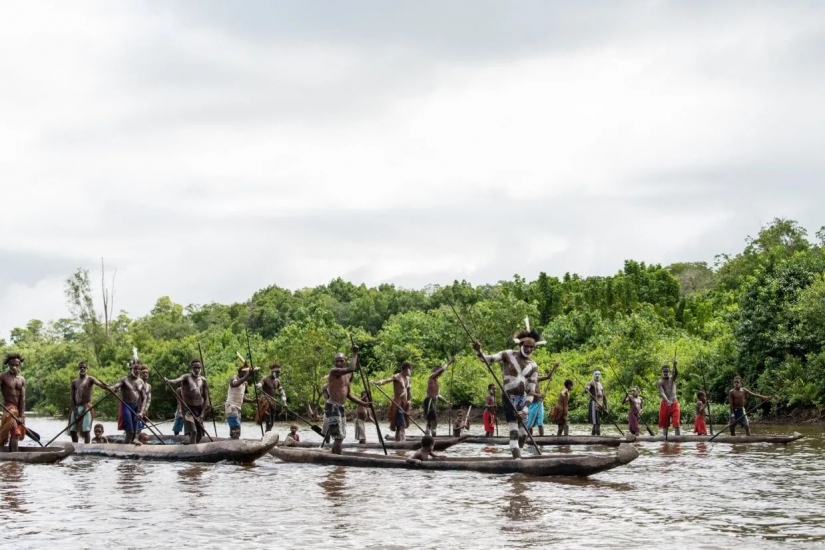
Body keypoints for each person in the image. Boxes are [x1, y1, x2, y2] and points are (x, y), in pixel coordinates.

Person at [472, 328, 543, 458]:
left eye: (531, 347)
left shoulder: (533, 365)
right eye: (526, 346)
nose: (528, 350)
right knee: (514, 432)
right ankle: (517, 460)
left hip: (523, 400)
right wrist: (479, 351)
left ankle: (518, 456)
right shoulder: (508, 355)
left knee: (524, 434)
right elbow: (487, 359)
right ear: (520, 345)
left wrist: (525, 410)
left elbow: (532, 391)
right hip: (509, 398)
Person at [327, 346, 371, 455]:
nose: (338, 363)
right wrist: (355, 354)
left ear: (345, 361)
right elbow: (351, 368)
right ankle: (338, 461)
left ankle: (335, 458)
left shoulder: (348, 375)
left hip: (341, 407)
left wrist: (363, 403)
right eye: (336, 361)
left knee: (341, 436)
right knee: (339, 437)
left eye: (341, 361)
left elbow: (348, 394)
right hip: (332, 407)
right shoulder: (334, 371)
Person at [164, 359, 210, 444]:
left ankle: (193, 447)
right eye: (195, 367)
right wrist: (169, 381)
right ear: (191, 368)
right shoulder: (186, 377)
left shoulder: (203, 380)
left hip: (199, 408)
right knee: (193, 431)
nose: (197, 370)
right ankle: (192, 449)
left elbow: (206, 398)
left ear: (201, 368)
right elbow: (176, 380)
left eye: (198, 368)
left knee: (200, 434)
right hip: (188, 409)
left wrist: (202, 414)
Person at [68, 361, 109, 443]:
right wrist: (75, 412)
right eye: (80, 367)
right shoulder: (74, 382)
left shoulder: (90, 379)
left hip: (86, 407)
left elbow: (100, 385)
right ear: (78, 369)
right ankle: (75, 447)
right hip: (76, 407)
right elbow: (72, 398)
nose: (82, 369)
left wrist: (107, 387)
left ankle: (86, 447)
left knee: (86, 430)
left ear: (87, 369)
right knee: (72, 430)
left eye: (84, 367)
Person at [373, 362, 413, 442]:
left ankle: (400, 442)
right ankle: (400, 443)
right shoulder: (397, 377)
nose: (411, 372)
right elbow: (386, 380)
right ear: (405, 370)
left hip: (405, 404)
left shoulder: (408, 379)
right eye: (410, 370)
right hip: (397, 404)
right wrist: (378, 383)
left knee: (402, 425)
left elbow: (409, 392)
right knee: (400, 425)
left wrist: (409, 401)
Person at [109, 360, 147, 444]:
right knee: (129, 431)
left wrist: (141, 412)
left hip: (136, 407)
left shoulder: (141, 381)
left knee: (135, 431)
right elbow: (116, 386)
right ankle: (125, 450)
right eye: (135, 369)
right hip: (126, 405)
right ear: (131, 369)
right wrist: (112, 388)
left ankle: (132, 447)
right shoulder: (125, 379)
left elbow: (144, 397)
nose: (137, 371)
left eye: (139, 369)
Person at [422, 356, 455, 437]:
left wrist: (447, 402)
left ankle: (429, 435)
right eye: (438, 371)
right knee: (433, 419)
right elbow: (443, 369)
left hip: (433, 401)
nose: (440, 373)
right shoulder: (431, 377)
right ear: (435, 371)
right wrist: (450, 362)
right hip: (429, 401)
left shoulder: (436, 382)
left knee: (431, 420)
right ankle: (431, 435)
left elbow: (437, 395)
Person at [0, 353, 27, 452]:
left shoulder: (22, 379)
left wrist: (22, 415)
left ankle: (12, 457)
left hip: (18, 410)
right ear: (9, 365)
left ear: (19, 365)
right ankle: (15, 457)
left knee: (15, 433)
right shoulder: (3, 376)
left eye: (16, 365)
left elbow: (23, 399)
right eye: (12, 365)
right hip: (8, 409)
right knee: (15, 432)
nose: (14, 367)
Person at [226, 361, 258, 439]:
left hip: (238, 408)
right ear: (241, 372)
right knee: (236, 429)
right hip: (231, 406)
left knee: (235, 430)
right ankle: (234, 446)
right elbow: (235, 384)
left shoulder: (244, 383)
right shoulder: (234, 378)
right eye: (245, 373)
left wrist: (253, 400)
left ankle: (231, 444)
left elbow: (242, 398)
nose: (247, 376)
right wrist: (248, 374)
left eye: (247, 374)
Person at [526, 362, 560, 436]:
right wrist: (539, 395)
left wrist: (554, 368)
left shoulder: (537, 379)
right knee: (529, 425)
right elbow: (530, 393)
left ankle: (541, 438)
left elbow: (548, 377)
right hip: (532, 404)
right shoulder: (526, 382)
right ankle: (529, 438)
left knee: (540, 423)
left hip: (539, 403)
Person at [257, 363, 287, 432]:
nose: (278, 374)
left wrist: (284, 402)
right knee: (268, 422)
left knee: (272, 422)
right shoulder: (265, 379)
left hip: (273, 403)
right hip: (265, 402)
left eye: (279, 372)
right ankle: (267, 436)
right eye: (277, 372)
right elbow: (261, 383)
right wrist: (258, 385)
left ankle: (268, 435)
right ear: (272, 372)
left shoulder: (277, 381)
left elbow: (282, 392)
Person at [657, 361, 680, 437]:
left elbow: (676, 373)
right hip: (665, 404)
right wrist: (667, 401)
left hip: (674, 403)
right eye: (664, 371)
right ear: (662, 372)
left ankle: (677, 439)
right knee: (665, 424)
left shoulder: (672, 378)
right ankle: (665, 439)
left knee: (676, 423)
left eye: (667, 371)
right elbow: (662, 392)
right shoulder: (660, 381)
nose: (665, 373)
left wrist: (675, 365)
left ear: (669, 372)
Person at [585, 370, 608, 436]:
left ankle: (593, 438)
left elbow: (604, 397)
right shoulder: (592, 382)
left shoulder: (600, 384)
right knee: (597, 423)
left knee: (596, 423)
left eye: (598, 374)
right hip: (594, 404)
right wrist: (586, 388)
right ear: (593, 375)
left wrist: (607, 408)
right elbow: (588, 387)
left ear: (600, 376)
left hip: (600, 405)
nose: (597, 375)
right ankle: (598, 438)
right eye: (596, 374)